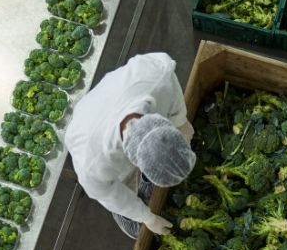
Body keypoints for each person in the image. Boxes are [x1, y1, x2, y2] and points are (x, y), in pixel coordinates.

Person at [64, 52, 196, 239]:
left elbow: (170, 83)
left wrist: (180, 122)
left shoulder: (157, 75)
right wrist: (147, 217)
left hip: (117, 92)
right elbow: (110, 195)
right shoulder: (93, 163)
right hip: (86, 122)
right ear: (138, 162)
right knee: (128, 190)